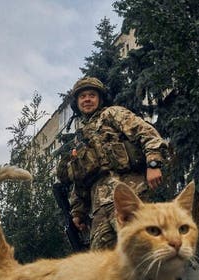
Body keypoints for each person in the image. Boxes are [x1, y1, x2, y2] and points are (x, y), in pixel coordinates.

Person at [62, 76, 168, 250]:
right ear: (77, 102)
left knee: (143, 252)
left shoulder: (112, 114)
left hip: (130, 195)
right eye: (82, 96)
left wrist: (153, 164)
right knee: (102, 266)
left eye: (91, 95)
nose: (87, 99)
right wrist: (78, 211)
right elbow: (80, 179)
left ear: (100, 99)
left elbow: (146, 133)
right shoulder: (79, 139)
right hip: (100, 209)